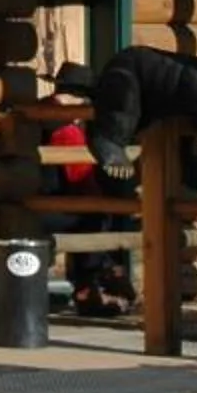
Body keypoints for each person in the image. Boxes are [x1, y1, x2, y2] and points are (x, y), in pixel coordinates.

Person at [44, 116, 134, 318]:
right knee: (96, 215)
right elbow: (82, 182)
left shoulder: (58, 129)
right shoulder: (67, 131)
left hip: (45, 205)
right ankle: (94, 284)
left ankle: (96, 282)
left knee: (98, 213)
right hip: (48, 210)